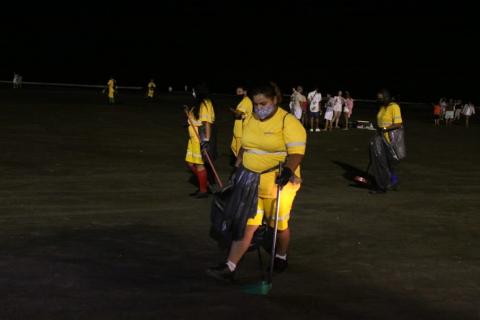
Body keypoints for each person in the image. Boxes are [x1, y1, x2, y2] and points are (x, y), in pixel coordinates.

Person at [206, 82, 307, 281]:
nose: (259, 108)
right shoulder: (251, 119)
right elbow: (245, 146)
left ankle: (281, 255)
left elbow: (296, 153)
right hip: (250, 181)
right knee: (247, 224)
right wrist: (237, 168)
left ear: (275, 100)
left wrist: (288, 170)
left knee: (278, 225)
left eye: (263, 104)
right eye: (256, 104)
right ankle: (230, 266)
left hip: (278, 183)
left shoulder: (288, 122)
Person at [369, 89, 403, 194]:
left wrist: (384, 129)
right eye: (378, 98)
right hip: (379, 137)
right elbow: (381, 121)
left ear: (386, 97)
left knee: (383, 163)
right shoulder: (382, 107)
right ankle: (393, 183)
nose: (379, 100)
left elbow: (398, 123)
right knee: (387, 163)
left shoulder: (394, 107)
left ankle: (383, 186)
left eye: (381, 98)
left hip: (390, 139)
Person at [184, 84, 216, 198]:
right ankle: (205, 184)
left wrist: (206, 140)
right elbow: (195, 119)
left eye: (194, 91)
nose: (192, 93)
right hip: (192, 138)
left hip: (199, 137)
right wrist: (188, 112)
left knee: (199, 165)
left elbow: (207, 123)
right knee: (190, 163)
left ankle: (203, 190)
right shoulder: (198, 104)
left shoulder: (205, 104)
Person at [230, 85, 253, 158]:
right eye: (237, 92)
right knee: (234, 148)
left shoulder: (245, 101)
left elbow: (238, 114)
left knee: (240, 152)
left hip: (241, 131)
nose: (238, 94)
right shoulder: (242, 100)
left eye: (240, 91)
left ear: (245, 92)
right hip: (238, 130)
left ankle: (240, 167)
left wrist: (231, 109)